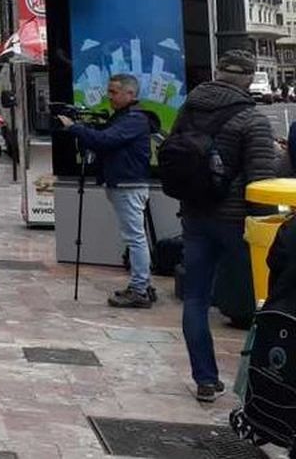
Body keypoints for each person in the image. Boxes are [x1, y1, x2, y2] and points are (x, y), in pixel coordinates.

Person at [167, 50, 285, 402]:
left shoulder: (188, 109)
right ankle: (265, 382)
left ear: (217, 73)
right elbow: (261, 179)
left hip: (195, 215)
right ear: (249, 78)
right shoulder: (252, 119)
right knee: (269, 300)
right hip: (238, 222)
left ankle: (205, 379)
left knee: (196, 299)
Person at [58, 73, 159, 308]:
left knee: (135, 238)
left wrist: (75, 129)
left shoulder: (133, 120)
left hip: (128, 184)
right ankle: (141, 283)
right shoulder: (125, 117)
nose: (109, 96)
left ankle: (140, 288)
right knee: (135, 237)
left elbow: (105, 140)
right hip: (124, 182)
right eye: (109, 91)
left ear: (130, 94)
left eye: (114, 92)